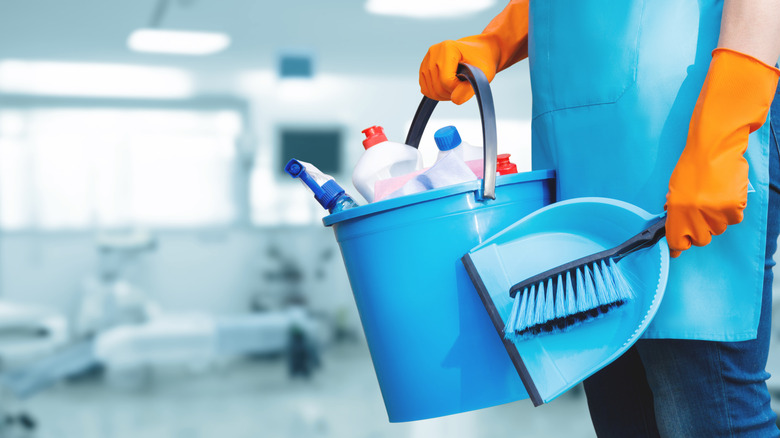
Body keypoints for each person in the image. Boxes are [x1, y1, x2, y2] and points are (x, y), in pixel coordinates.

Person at [419, 0, 780, 436]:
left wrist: (723, 133)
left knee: (704, 407)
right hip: (580, 142)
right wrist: (498, 39)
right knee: (621, 413)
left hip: (687, 117)